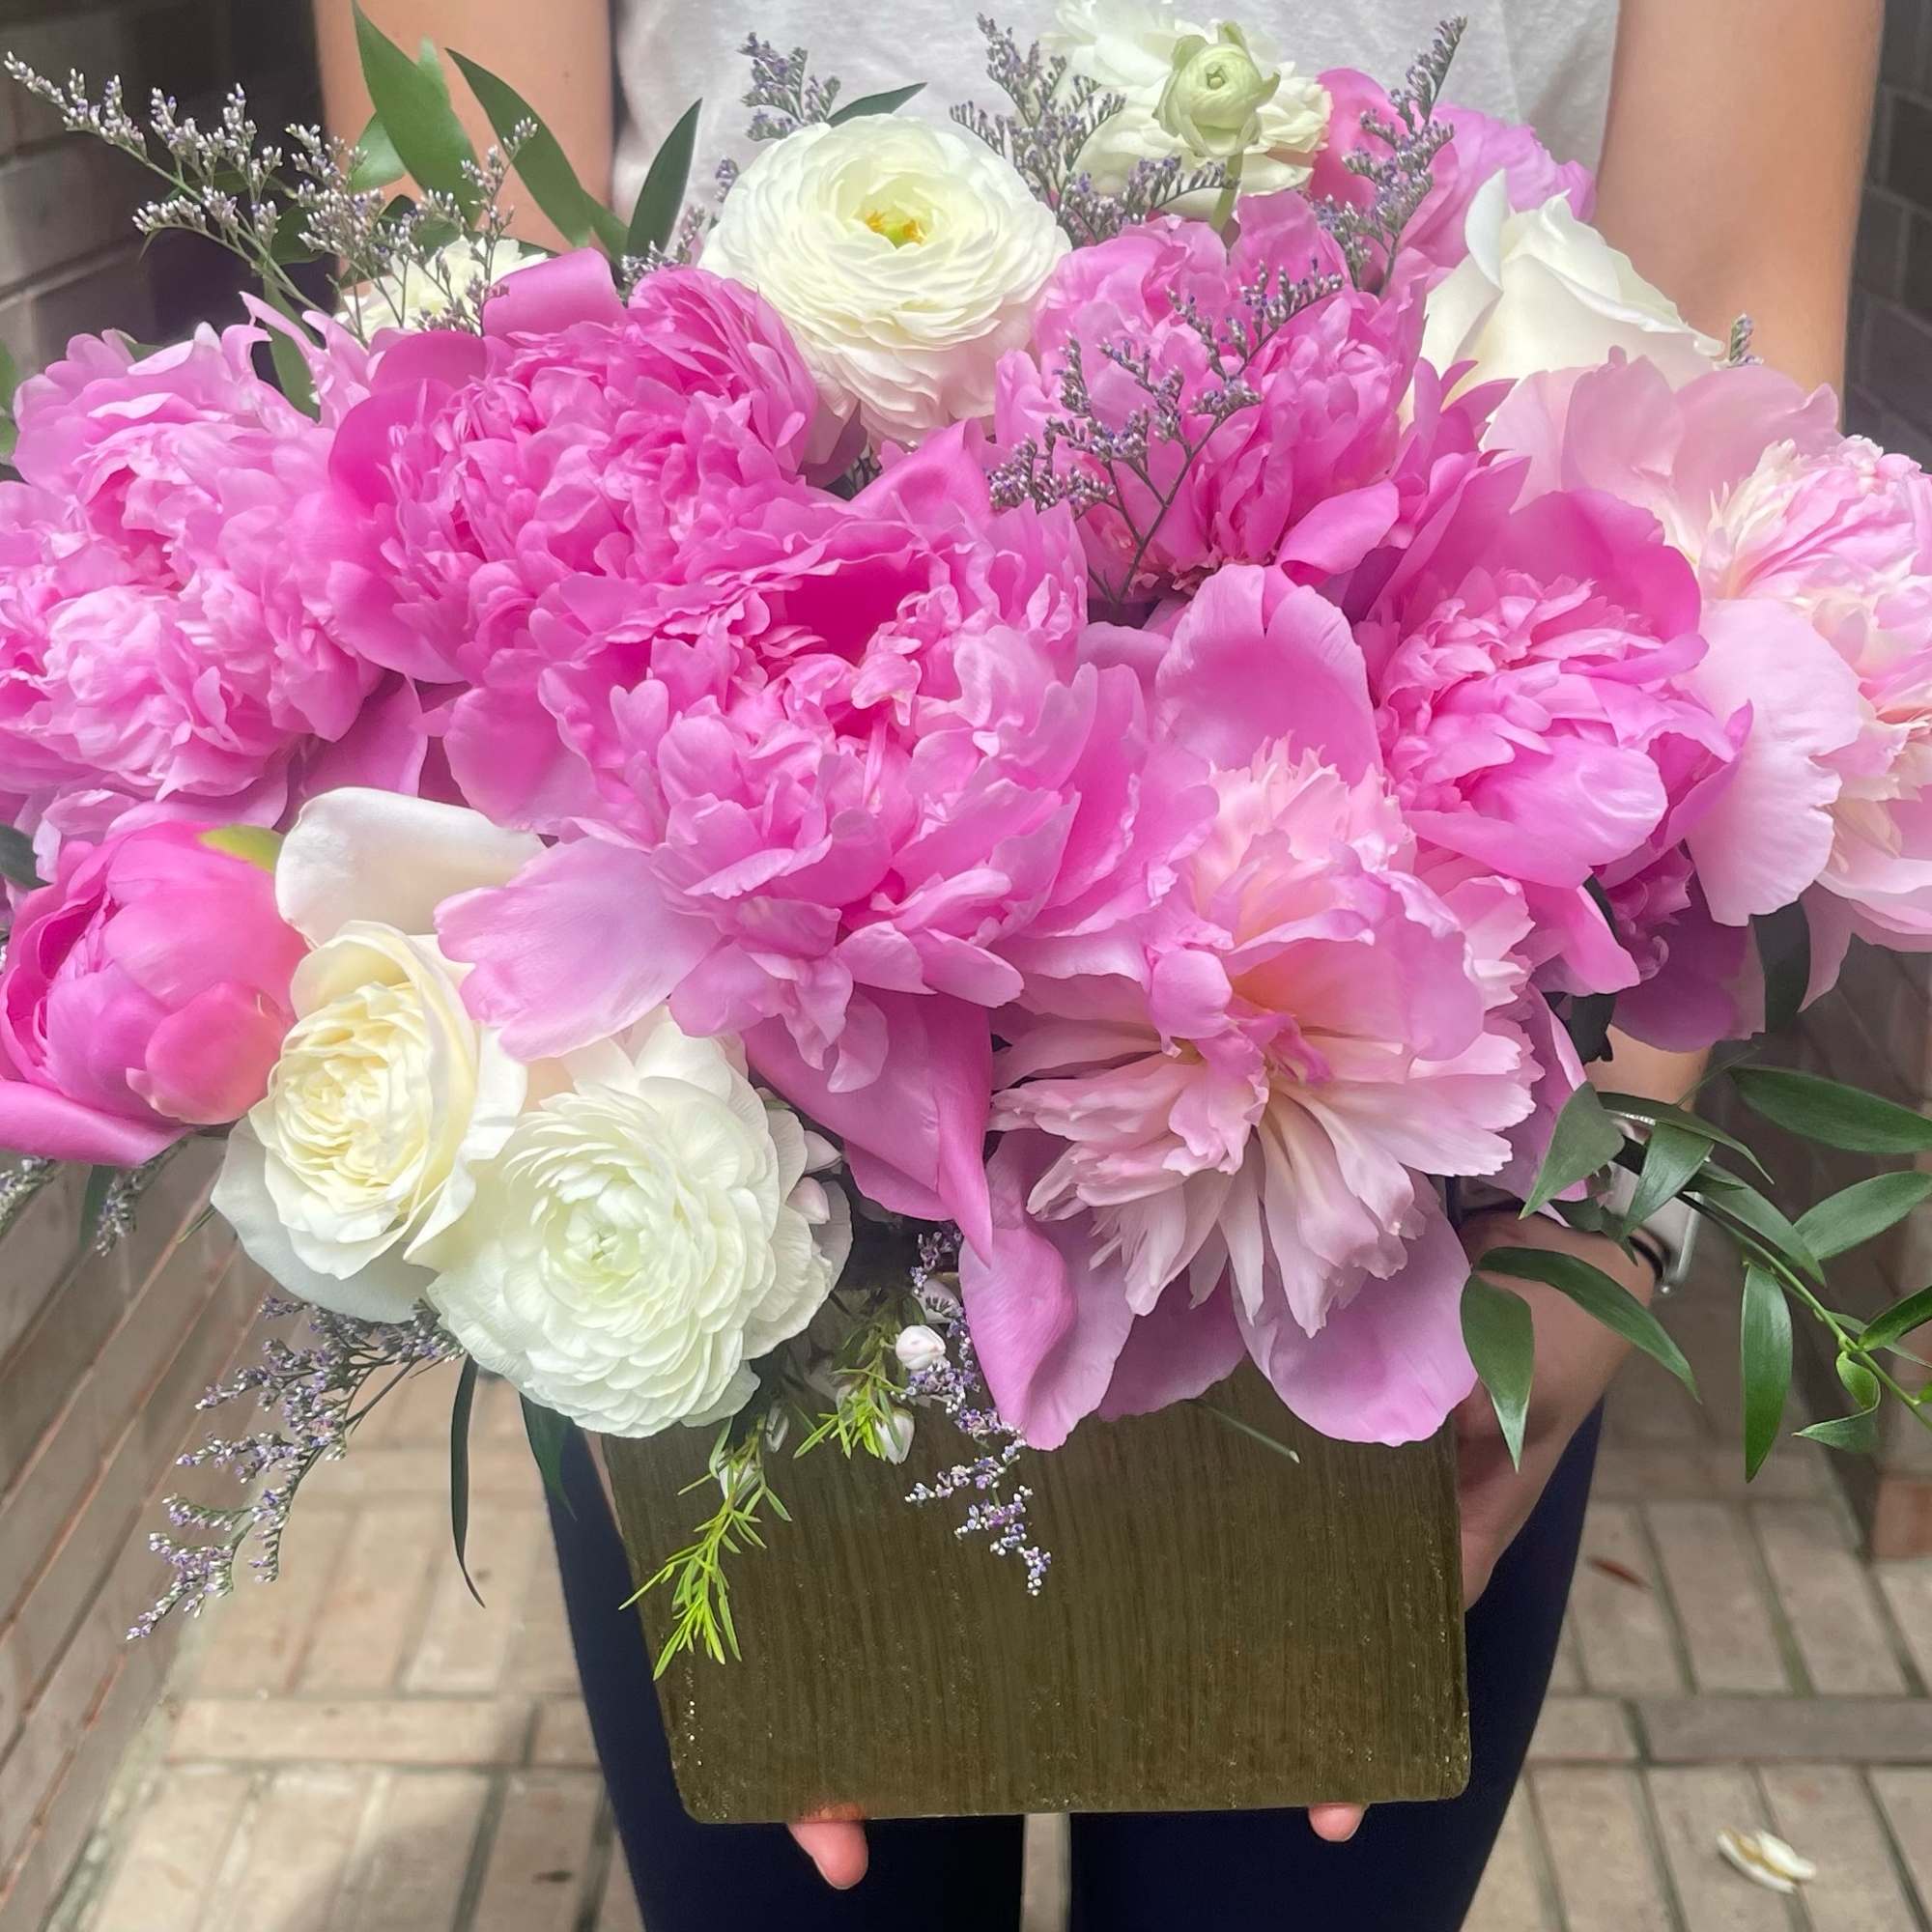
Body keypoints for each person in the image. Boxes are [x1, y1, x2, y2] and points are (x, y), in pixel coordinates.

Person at [313, 3, 1882, 1924]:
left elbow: (1722, 322)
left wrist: (1603, 1210)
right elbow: (447, 283)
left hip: (1406, 1103)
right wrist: (581, 1181)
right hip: (688, 1018)